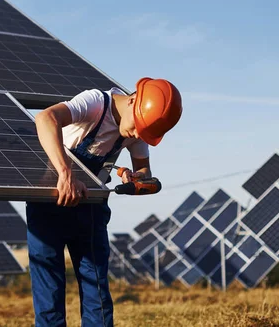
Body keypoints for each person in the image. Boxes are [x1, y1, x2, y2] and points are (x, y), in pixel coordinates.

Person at [28, 77, 183, 326]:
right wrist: (65, 174)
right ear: (133, 100)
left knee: (96, 288)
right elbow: (45, 118)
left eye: (143, 133)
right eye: (137, 128)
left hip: (90, 207)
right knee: (49, 285)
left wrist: (138, 178)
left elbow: (144, 169)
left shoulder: (139, 126)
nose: (136, 135)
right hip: (49, 201)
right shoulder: (95, 103)